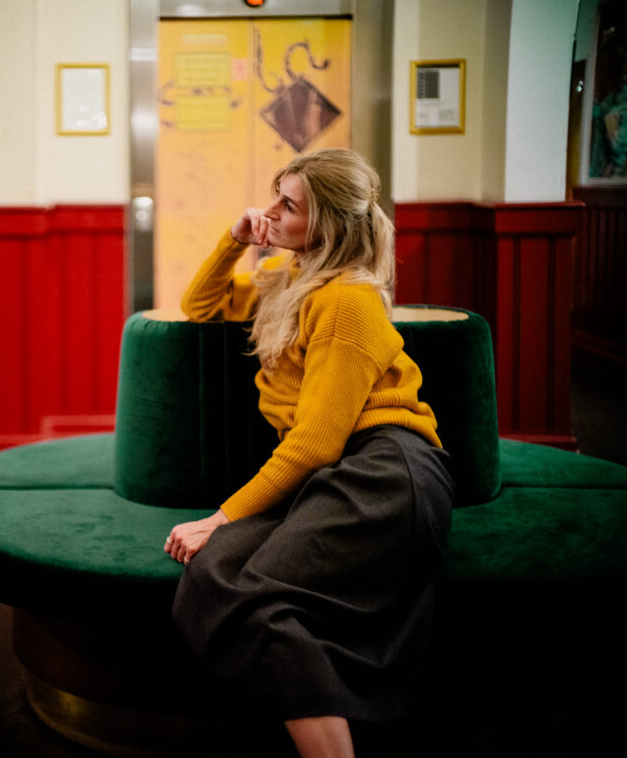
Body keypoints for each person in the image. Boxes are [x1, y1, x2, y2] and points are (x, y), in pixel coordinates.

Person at [163, 148, 454, 758]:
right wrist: (235, 239)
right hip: (330, 476)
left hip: (385, 473)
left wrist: (220, 515)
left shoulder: (347, 301)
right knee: (212, 573)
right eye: (274, 196)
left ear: (325, 226)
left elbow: (317, 441)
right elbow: (200, 306)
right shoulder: (290, 281)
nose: (267, 212)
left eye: (286, 205)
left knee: (256, 591)